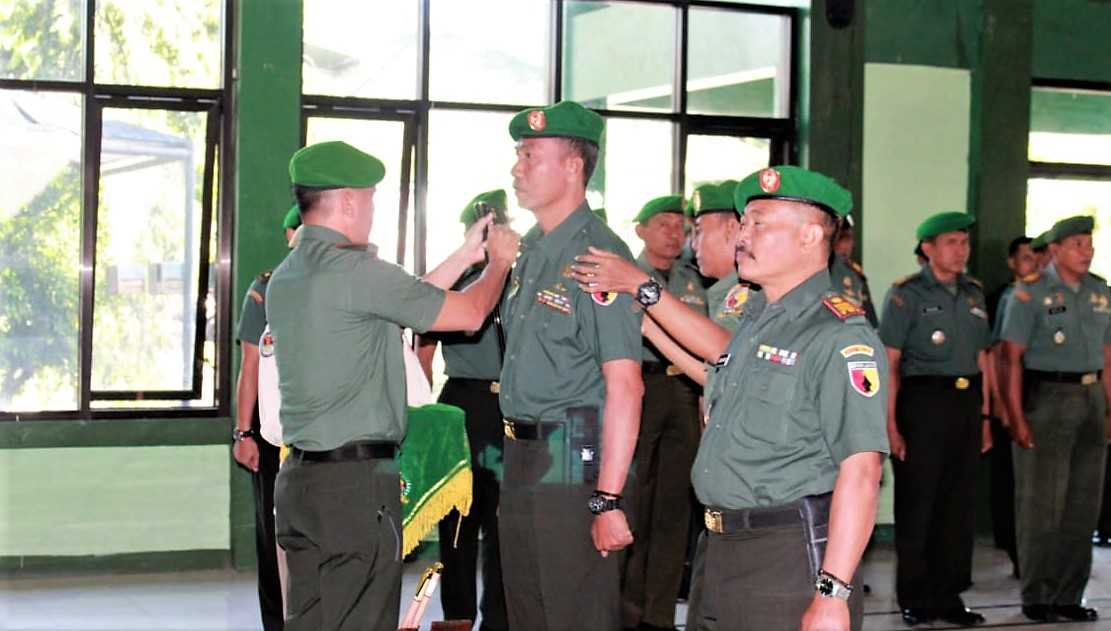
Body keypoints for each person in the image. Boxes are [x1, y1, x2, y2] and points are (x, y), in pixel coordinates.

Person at [571, 165, 888, 631]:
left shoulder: (840, 336)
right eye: (743, 222)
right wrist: (640, 313)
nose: (743, 235)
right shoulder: (756, 319)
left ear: (810, 236)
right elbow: (710, 367)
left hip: (785, 557)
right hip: (719, 549)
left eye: (760, 222)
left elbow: (862, 473)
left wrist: (832, 594)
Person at [266, 140, 519, 631]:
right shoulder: (357, 271)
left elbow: (404, 297)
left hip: (300, 483)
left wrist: (465, 253)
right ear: (347, 201)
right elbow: (467, 315)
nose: (372, 211)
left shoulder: (290, 273)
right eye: (371, 198)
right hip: (352, 487)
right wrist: (497, 264)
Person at [496, 100, 644, 631]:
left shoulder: (600, 255)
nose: (517, 167)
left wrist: (607, 498)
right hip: (520, 448)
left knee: (573, 607)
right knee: (528, 605)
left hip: (573, 444)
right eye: (518, 154)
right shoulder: (533, 249)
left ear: (573, 166)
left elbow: (626, 386)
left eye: (530, 155)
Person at [878, 212, 993, 627]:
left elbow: (984, 359)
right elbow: (888, 363)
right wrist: (890, 426)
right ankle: (915, 597)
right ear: (927, 248)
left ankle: (949, 597)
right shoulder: (905, 295)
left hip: (966, 404)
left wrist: (985, 417)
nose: (961, 251)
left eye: (964, 243)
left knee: (958, 508)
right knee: (919, 505)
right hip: (922, 404)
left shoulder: (975, 293)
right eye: (951, 243)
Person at [1000, 215, 1111, 623]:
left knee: (1083, 505)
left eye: (1089, 244)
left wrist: (1109, 409)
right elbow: (1009, 358)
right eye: (1078, 244)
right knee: (1041, 506)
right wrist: (1015, 416)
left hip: (1091, 398)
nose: (1087, 251)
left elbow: (1108, 358)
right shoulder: (1029, 295)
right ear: (1056, 250)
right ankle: (1038, 596)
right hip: (1046, 398)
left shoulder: (1101, 292)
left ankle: (1069, 595)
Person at [416, 189, 510, 631]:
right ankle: (457, 616)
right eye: (484, 230)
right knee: (459, 519)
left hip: (511, 406)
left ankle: (499, 617)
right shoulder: (453, 281)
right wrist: (419, 415)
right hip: (463, 405)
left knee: (504, 520)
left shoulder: (524, 279)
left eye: (499, 228)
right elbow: (423, 350)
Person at [621, 194, 706, 631]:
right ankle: (628, 613)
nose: (675, 234)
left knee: (673, 508)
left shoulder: (692, 281)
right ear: (641, 230)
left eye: (681, 227)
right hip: (641, 387)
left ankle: (658, 616)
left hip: (684, 390)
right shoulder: (624, 276)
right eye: (664, 225)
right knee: (635, 504)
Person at [232, 203, 302, 631]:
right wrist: (243, 432)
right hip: (271, 428)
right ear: (288, 236)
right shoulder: (266, 288)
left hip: (319, 424)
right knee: (273, 536)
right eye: (298, 232)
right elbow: (250, 364)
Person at [985, 236, 1037, 576]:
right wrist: (1001, 405)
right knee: (1010, 481)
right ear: (1011, 262)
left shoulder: (1045, 296)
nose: (1031, 263)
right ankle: (1015, 548)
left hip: (1039, 392)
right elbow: (995, 355)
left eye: (1036, 257)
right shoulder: (1001, 298)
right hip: (1009, 396)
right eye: (1025, 258)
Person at [830, 216, 878, 327]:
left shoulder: (856, 275)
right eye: (839, 239)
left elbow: (870, 322)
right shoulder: (812, 273)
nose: (845, 246)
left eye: (848, 239)